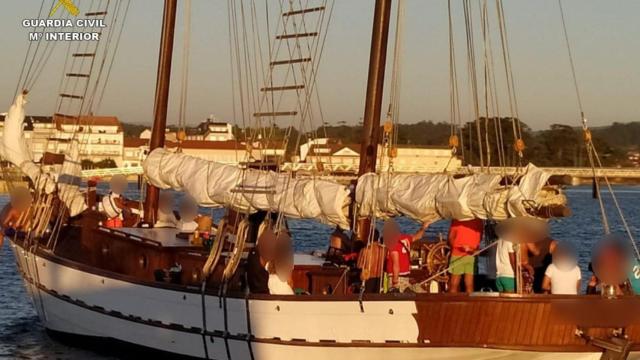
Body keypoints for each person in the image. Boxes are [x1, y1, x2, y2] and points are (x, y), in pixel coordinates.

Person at [384, 219, 430, 293]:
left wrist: (395, 281)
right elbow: (418, 236)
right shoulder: (405, 239)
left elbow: (396, 264)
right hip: (405, 276)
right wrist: (423, 228)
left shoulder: (392, 244)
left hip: (397, 277)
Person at [448, 219, 483, 294]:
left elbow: (451, 238)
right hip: (472, 255)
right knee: (469, 284)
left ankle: (451, 304)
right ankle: (470, 304)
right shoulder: (478, 220)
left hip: (458, 254)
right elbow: (480, 237)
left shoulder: (457, 219)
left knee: (454, 284)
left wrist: (458, 246)